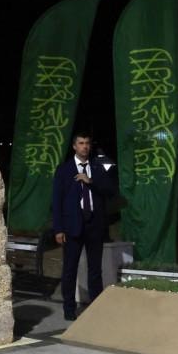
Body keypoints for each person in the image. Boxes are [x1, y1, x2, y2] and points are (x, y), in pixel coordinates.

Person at [52, 132, 118, 320]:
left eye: (87, 143)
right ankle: (69, 309)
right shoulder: (64, 169)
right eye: (81, 143)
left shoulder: (97, 167)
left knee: (95, 269)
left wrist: (91, 181)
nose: (85, 146)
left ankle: (95, 308)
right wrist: (59, 229)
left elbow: (110, 190)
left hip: (95, 225)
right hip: (72, 226)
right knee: (70, 269)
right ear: (74, 146)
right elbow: (57, 201)